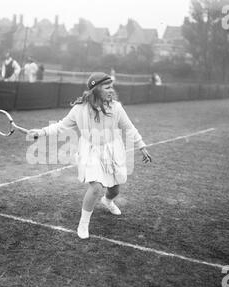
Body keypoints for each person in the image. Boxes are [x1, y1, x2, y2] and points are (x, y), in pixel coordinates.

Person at [27, 72, 152, 239]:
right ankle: (83, 224)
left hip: (112, 150)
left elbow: (129, 127)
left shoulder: (116, 107)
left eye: (111, 87)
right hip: (90, 151)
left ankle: (108, 201)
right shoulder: (79, 109)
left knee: (115, 189)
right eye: (107, 87)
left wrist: (141, 145)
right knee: (96, 188)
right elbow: (61, 126)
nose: (111, 90)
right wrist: (41, 132)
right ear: (96, 90)